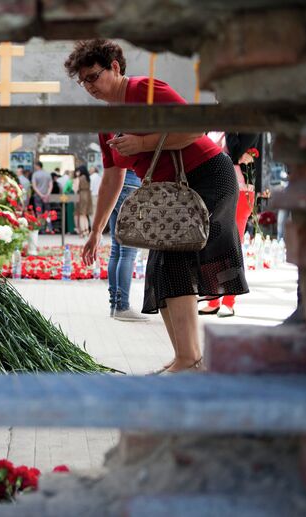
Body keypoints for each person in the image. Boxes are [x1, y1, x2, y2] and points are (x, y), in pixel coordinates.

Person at [65, 38, 248, 373]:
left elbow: (193, 127)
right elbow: (112, 178)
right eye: (83, 81)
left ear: (115, 68)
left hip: (207, 177)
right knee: (163, 269)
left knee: (174, 261)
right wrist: (95, 231)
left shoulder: (143, 90)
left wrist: (143, 142)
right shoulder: (107, 121)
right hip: (175, 192)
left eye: (93, 76)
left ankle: (189, 360)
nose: (88, 86)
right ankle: (187, 358)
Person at [199, 132, 261, 318]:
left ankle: (229, 301)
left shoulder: (246, 122)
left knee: (232, 243)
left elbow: (234, 151)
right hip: (213, 185)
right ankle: (212, 299)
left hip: (240, 188)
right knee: (211, 242)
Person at [107, 168, 147, 321]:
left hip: (113, 185)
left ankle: (114, 305)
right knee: (127, 251)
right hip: (131, 183)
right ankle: (122, 306)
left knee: (116, 248)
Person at [30, 161, 53, 232]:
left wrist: (41, 195)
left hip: (38, 196)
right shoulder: (47, 174)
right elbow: (50, 185)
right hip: (47, 196)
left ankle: (41, 229)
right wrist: (47, 194)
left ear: (37, 166)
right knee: (47, 212)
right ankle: (49, 228)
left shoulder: (35, 174)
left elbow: (34, 186)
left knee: (39, 212)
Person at [74, 165, 93, 237]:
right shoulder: (88, 178)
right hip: (88, 195)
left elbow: (75, 189)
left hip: (81, 195)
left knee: (81, 215)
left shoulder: (79, 178)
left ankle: (82, 232)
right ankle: (87, 231)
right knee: (85, 215)